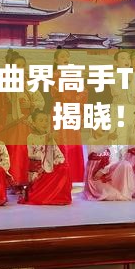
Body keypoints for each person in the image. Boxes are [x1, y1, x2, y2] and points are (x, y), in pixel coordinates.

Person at [0, 52, 45, 186]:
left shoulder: (29, 83)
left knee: (30, 151)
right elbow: (12, 103)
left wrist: (32, 105)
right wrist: (21, 116)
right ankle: (16, 179)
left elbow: (41, 101)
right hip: (16, 121)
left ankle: (31, 178)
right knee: (17, 150)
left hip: (30, 120)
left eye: (23, 65)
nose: (21, 68)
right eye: (17, 66)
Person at [51, 48, 87, 182]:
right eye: (62, 56)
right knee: (61, 138)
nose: (65, 58)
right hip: (60, 109)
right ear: (56, 60)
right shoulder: (54, 75)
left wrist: (76, 101)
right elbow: (56, 92)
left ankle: (75, 174)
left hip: (73, 110)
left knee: (74, 139)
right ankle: (62, 175)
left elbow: (83, 91)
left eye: (67, 56)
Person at [22, 109, 71, 205]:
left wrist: (57, 162)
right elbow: (33, 155)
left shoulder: (49, 137)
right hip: (38, 170)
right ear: (34, 123)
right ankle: (45, 196)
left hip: (49, 166)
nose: (44, 123)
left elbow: (59, 155)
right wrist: (46, 141)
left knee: (64, 168)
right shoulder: (31, 137)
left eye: (46, 121)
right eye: (41, 120)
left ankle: (58, 197)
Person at [84, 127, 135, 201]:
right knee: (111, 194)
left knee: (125, 164)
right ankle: (115, 191)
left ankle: (125, 191)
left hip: (107, 175)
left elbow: (114, 160)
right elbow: (97, 148)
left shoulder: (108, 142)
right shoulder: (90, 141)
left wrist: (103, 170)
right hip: (95, 179)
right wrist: (107, 137)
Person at [110, 50, 135, 145]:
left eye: (128, 58)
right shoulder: (114, 75)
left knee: (133, 136)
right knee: (119, 136)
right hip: (119, 108)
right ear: (116, 62)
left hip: (133, 108)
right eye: (123, 58)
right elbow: (116, 91)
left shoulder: (134, 75)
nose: (127, 61)